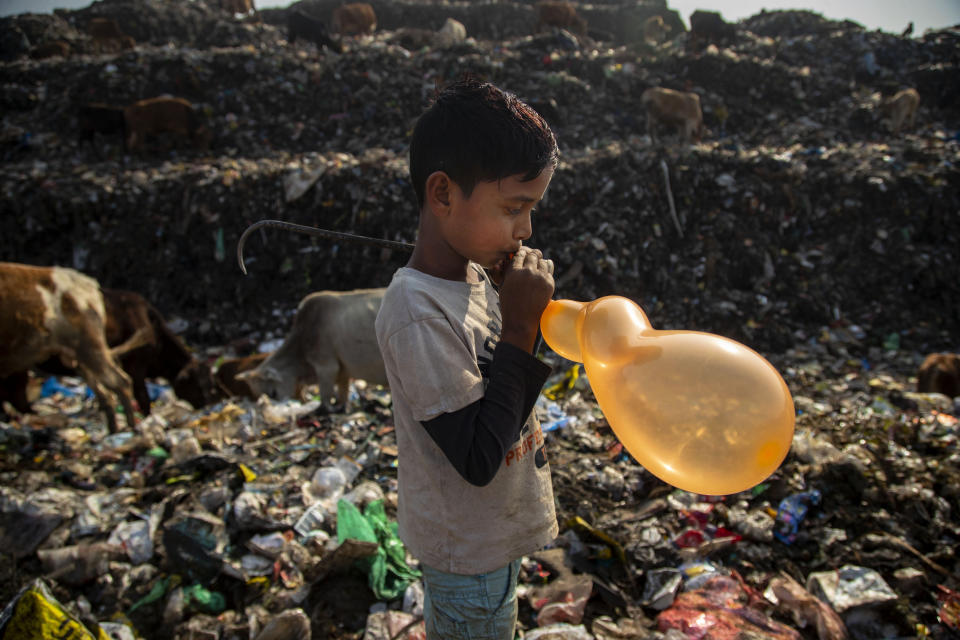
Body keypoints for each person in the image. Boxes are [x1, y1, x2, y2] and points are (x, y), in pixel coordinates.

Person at [374, 78, 560, 640]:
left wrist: (522, 313)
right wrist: (521, 325)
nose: (525, 230)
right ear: (443, 194)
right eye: (513, 208)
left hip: (490, 545)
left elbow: (504, 388)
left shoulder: (476, 278)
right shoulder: (417, 312)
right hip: (467, 561)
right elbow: (479, 458)